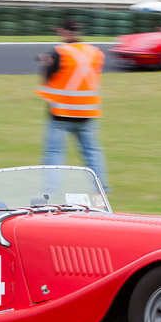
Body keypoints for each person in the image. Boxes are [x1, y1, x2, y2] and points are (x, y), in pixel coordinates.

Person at [35, 17, 110, 192]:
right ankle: (101, 189)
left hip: (61, 113)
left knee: (54, 153)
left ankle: (50, 191)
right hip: (88, 113)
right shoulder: (96, 53)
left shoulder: (60, 52)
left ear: (66, 32)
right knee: (92, 153)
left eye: (60, 31)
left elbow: (47, 74)